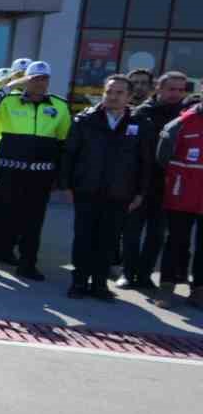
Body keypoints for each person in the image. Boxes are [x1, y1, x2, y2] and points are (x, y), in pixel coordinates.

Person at [0, 61, 71, 280]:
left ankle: (27, 265)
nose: (39, 83)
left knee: (33, 222)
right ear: (25, 80)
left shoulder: (59, 106)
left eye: (44, 79)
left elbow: (64, 142)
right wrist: (9, 86)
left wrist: (61, 178)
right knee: (0, 218)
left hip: (41, 176)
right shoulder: (8, 101)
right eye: (34, 79)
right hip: (9, 173)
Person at [61, 75, 153, 300]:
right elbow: (69, 155)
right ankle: (79, 283)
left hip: (120, 193)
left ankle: (100, 284)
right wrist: (66, 186)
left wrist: (141, 193)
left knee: (108, 240)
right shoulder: (85, 120)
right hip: (86, 190)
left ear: (129, 97)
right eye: (109, 91)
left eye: (119, 92)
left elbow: (146, 162)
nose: (113, 96)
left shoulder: (140, 124)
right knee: (83, 238)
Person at [121, 71, 192, 289]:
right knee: (131, 232)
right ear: (158, 89)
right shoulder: (141, 113)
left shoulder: (186, 115)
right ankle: (127, 272)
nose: (176, 94)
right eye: (171, 89)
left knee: (156, 234)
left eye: (181, 90)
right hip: (140, 183)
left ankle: (144, 274)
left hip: (169, 186)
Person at [155, 100, 203, 307]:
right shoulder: (182, 123)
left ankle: (199, 290)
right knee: (176, 241)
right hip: (182, 193)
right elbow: (162, 157)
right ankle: (167, 286)